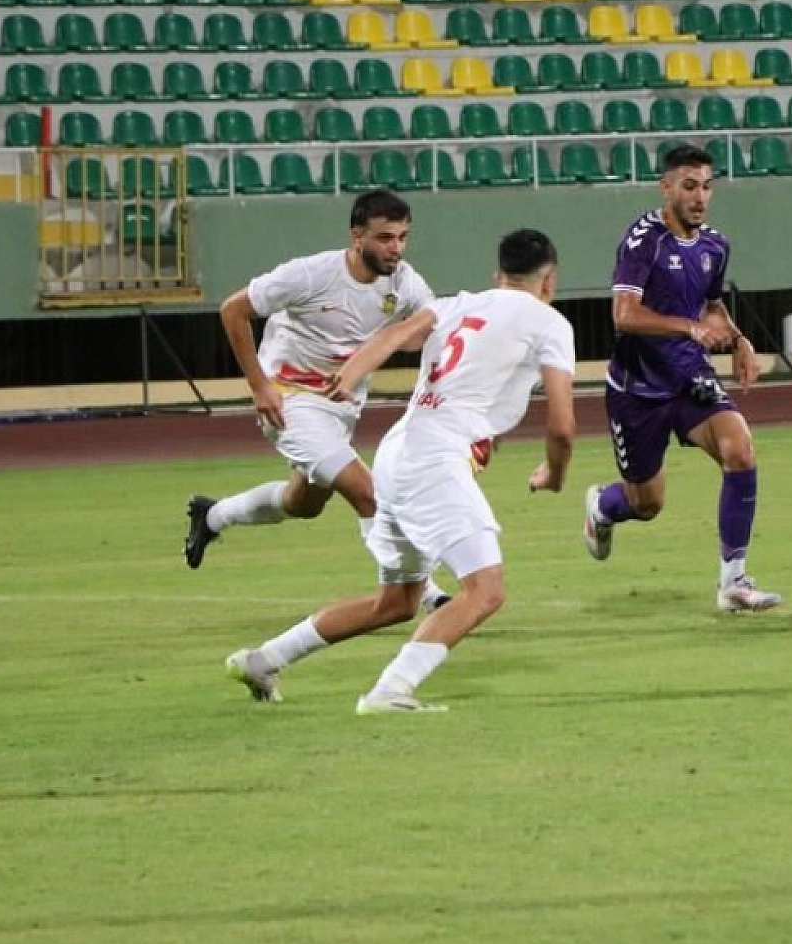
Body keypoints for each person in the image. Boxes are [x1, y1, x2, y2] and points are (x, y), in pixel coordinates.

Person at [225, 228, 577, 713]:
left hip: (397, 452)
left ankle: (264, 659)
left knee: (397, 602)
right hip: (435, 459)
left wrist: (348, 376)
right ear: (550, 281)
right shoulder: (550, 322)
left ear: (498, 276)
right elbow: (561, 425)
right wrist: (555, 474)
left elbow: (394, 334)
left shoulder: (457, 304)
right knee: (486, 590)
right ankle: (390, 690)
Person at [183, 189, 450, 611]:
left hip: (340, 407)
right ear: (356, 236)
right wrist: (259, 386)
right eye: (385, 238)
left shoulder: (404, 282)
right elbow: (233, 310)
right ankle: (427, 592)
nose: (395, 248)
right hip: (290, 401)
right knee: (369, 492)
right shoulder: (310, 274)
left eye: (402, 237)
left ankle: (213, 516)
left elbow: (434, 327)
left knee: (302, 504)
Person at [579, 144, 781, 613]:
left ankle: (734, 581)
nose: (700, 197)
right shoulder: (642, 241)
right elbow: (624, 315)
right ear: (665, 187)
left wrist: (739, 340)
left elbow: (712, 307)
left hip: (689, 375)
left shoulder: (715, 246)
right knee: (647, 504)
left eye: (707, 186)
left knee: (740, 448)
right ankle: (603, 506)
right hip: (638, 390)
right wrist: (690, 328)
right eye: (689, 186)